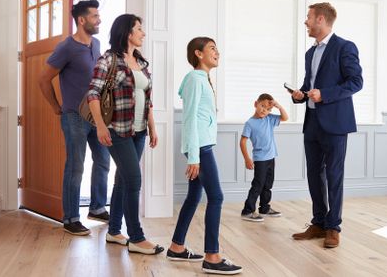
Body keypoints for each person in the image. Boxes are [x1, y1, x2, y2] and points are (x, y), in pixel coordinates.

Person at [86, 14, 163, 255]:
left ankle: (114, 231)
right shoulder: (109, 59)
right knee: (133, 180)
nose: (143, 33)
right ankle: (137, 238)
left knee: (122, 180)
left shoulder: (141, 62)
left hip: (138, 130)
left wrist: (152, 126)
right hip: (117, 130)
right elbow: (93, 94)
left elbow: (147, 99)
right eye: (139, 29)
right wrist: (100, 126)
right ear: (128, 33)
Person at [290, 2, 363, 248]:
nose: (306, 22)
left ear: (321, 19)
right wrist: (299, 94)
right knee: (313, 175)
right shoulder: (310, 53)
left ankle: (334, 227)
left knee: (334, 175)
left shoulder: (345, 47)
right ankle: (319, 222)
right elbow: (308, 83)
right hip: (312, 123)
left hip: (335, 123)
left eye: (308, 18)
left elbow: (356, 82)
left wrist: (325, 94)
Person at [167, 37, 243, 274]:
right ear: (198, 54)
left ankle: (176, 246)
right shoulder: (194, 79)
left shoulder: (203, 79)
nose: (217, 52)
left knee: (193, 197)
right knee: (217, 197)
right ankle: (212, 256)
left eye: (217, 48)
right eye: (212, 48)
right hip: (200, 149)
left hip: (201, 146)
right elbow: (189, 118)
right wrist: (193, 157)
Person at [38, 0, 110, 236]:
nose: (99, 20)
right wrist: (56, 106)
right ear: (81, 20)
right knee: (76, 166)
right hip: (74, 117)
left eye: (99, 16)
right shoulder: (66, 47)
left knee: (103, 162)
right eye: (94, 16)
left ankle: (98, 207)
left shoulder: (97, 43)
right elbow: (43, 79)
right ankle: (70, 218)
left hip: (97, 116)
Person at [240, 93, 288, 222]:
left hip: (271, 157)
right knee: (258, 184)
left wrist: (278, 106)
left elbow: (285, 117)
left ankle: (264, 208)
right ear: (256, 104)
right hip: (260, 159)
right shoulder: (250, 123)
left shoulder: (269, 119)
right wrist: (247, 159)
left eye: (268, 109)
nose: (264, 110)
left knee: (268, 184)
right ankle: (247, 211)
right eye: (262, 106)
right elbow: (243, 141)